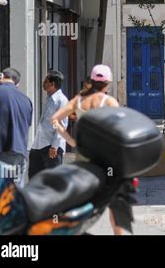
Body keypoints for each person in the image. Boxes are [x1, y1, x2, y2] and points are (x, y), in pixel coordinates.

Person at [51, 65, 126, 235]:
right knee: (115, 201)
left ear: (91, 81)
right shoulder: (109, 102)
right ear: (108, 83)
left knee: (82, 198)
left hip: (83, 157)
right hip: (106, 159)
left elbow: (54, 119)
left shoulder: (78, 100)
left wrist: (70, 140)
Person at [0, 68, 33, 186]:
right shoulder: (26, 100)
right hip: (20, 153)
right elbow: (28, 124)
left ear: (1, 77)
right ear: (17, 83)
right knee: (15, 194)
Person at [28, 70, 69, 179]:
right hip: (39, 144)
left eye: (45, 81)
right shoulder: (50, 99)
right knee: (34, 178)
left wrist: (54, 146)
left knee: (52, 182)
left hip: (51, 148)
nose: (43, 83)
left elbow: (61, 125)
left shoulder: (61, 100)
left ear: (52, 84)